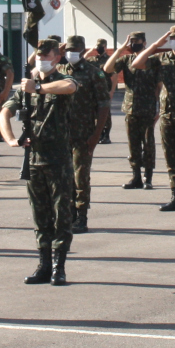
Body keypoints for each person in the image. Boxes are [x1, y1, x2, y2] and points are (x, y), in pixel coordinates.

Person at [0, 38, 78, 285]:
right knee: (40, 215)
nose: (43, 59)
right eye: (39, 56)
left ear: (57, 58)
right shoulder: (25, 88)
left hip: (58, 159)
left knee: (61, 215)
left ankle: (59, 266)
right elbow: (4, 113)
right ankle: (44, 264)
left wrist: (40, 89)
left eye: (47, 56)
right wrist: (11, 139)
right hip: (34, 160)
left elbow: (70, 87)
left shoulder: (61, 80)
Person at [131, 26, 175, 212]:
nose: (174, 40)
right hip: (167, 115)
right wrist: (156, 44)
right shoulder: (162, 59)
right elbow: (137, 64)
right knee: (171, 157)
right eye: (171, 38)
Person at [63, 35, 108, 233]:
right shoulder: (59, 71)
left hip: (84, 133)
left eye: (75, 50)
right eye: (68, 49)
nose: (71, 53)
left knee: (80, 175)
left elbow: (104, 106)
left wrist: (97, 134)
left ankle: (81, 215)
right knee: (64, 176)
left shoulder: (93, 73)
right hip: (62, 133)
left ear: (83, 51)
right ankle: (69, 213)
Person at [103, 31, 160, 190]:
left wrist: (158, 107)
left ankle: (148, 177)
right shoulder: (126, 59)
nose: (134, 43)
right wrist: (120, 49)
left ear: (144, 42)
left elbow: (159, 86)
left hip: (148, 107)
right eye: (132, 41)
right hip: (130, 107)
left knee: (148, 143)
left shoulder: (152, 60)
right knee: (133, 144)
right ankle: (136, 177)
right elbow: (108, 69)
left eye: (137, 41)